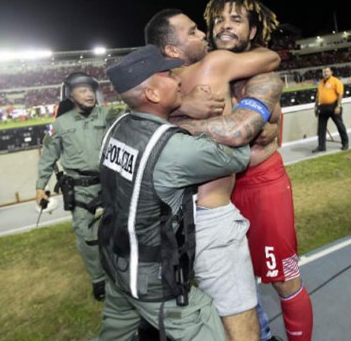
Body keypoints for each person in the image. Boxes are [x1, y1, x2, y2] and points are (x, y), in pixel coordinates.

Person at [144, 3, 282, 341]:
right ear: (173, 49)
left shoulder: (156, 86)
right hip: (209, 213)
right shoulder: (215, 62)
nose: (204, 33)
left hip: (166, 218)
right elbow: (271, 60)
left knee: (191, 304)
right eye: (193, 31)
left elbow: (141, 129)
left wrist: (178, 109)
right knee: (238, 308)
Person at [98, 44, 254, 341]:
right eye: (169, 74)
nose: (180, 80)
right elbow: (237, 155)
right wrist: (222, 113)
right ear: (153, 94)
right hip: (152, 283)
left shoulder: (116, 123)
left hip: (115, 264)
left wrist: (179, 108)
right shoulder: (172, 150)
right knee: (206, 322)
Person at [204, 0, 313, 341]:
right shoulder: (209, 68)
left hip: (262, 187)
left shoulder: (263, 71)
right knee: (233, 280)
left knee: (284, 277)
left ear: (252, 31)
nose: (225, 25)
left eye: (236, 19)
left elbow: (250, 133)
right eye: (219, 19)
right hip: (222, 192)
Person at [36, 72, 120, 301]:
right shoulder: (60, 125)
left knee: (119, 230)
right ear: (70, 95)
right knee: (87, 236)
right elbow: (47, 157)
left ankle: (121, 271)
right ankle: (98, 279)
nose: (89, 94)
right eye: (82, 90)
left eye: (91, 89)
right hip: (81, 188)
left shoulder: (108, 114)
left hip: (111, 183)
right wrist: (40, 186)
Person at [312, 66, 349, 153]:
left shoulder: (336, 81)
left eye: (327, 71)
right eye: (324, 72)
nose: (325, 73)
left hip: (333, 106)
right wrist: (316, 106)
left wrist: (338, 106)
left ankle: (345, 143)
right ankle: (321, 146)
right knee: (321, 128)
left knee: (340, 125)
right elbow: (318, 95)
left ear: (331, 72)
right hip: (323, 107)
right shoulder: (320, 82)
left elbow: (340, 94)